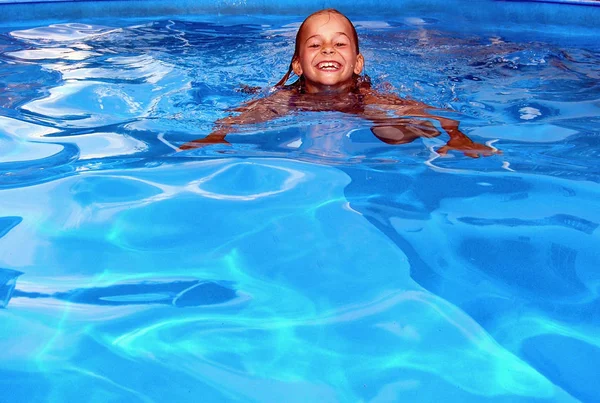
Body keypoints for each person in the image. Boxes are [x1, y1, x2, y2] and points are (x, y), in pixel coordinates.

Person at [180, 9, 499, 158]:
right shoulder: (287, 100)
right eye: (315, 45)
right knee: (259, 103)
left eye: (339, 44)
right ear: (298, 65)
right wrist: (215, 136)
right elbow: (238, 118)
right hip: (299, 105)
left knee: (394, 134)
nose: (328, 49)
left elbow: (435, 112)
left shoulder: (369, 98)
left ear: (358, 63)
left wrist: (456, 135)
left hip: (359, 108)